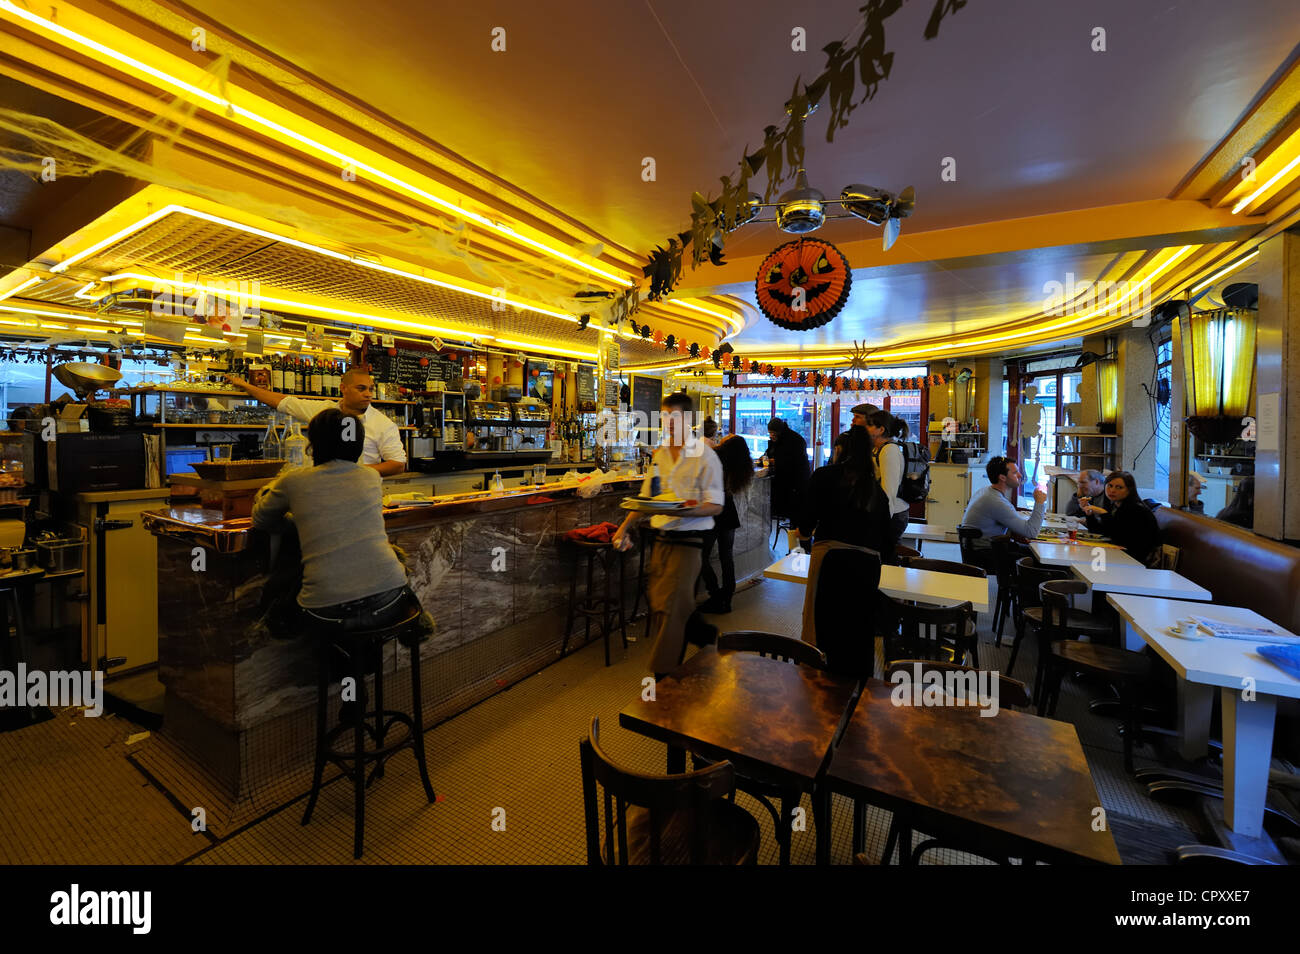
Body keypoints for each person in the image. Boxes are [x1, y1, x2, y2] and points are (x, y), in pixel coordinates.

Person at [251, 409, 426, 715]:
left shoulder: (294, 481)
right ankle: (357, 681)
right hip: (390, 601)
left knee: (323, 607)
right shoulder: (370, 476)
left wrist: (301, 521)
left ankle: (352, 687)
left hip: (327, 612)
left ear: (312, 444)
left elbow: (262, 518)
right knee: (371, 605)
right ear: (357, 445)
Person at [612, 392, 724, 678]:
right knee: (662, 602)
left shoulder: (706, 456)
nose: (668, 423)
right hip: (661, 538)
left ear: (688, 419)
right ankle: (706, 635)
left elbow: (716, 504)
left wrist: (685, 511)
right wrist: (625, 527)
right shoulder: (660, 455)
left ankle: (660, 678)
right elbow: (647, 497)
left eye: (674, 417)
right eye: (664, 417)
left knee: (673, 608)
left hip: (690, 541)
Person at [227, 367, 406, 476]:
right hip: (324, 490)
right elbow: (282, 402)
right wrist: (246, 386)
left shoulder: (383, 424)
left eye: (370, 389)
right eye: (361, 388)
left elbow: (398, 465)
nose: (368, 394)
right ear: (343, 388)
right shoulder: (324, 411)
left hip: (363, 493)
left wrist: (356, 473)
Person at [797, 427, 894, 556]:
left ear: (838, 449)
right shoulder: (875, 488)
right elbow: (886, 536)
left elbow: (809, 516)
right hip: (869, 561)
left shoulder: (823, 475)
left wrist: (803, 533)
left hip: (829, 555)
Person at [698, 435, 754, 614]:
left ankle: (715, 596)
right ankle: (726, 598)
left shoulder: (714, 457)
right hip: (728, 509)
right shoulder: (737, 463)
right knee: (726, 557)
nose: (725, 435)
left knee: (700, 556)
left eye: (728, 436)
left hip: (713, 509)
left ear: (728, 445)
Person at [1081, 470, 1161, 565]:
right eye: (1110, 486)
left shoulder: (1136, 509)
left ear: (1129, 490)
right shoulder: (1116, 505)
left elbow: (1118, 537)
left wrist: (1103, 513)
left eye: (1119, 487)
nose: (1113, 490)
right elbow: (1100, 532)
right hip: (1121, 554)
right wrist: (1089, 515)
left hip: (1135, 560)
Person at [962, 455, 1048, 543]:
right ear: (1002, 477)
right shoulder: (996, 502)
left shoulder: (985, 492)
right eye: (1015, 473)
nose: (1020, 475)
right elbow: (1031, 532)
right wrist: (1039, 502)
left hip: (981, 549)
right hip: (987, 553)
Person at [864, 409, 912, 551]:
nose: (865, 428)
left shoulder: (889, 450)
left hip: (893, 514)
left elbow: (889, 490)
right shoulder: (878, 449)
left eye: (869, 425)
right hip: (887, 512)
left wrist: (882, 520)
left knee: (885, 558)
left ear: (881, 430)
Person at [765, 417, 810, 523]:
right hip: (788, 485)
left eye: (772, 433)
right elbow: (768, 453)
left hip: (795, 486)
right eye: (770, 433)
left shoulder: (794, 440)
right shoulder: (780, 439)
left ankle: (795, 534)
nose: (771, 436)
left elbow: (792, 462)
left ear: (779, 432)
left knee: (795, 518)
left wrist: (773, 461)